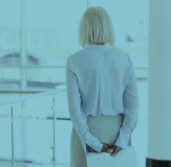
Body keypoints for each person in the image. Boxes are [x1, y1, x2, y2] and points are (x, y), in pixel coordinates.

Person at [66, 7, 139, 167]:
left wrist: (92, 142)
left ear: (84, 28)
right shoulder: (124, 59)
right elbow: (133, 107)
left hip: (86, 130)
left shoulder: (74, 61)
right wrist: (122, 138)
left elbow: (75, 111)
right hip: (117, 130)